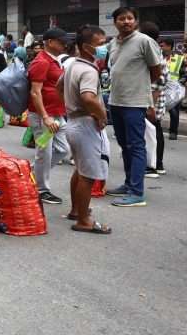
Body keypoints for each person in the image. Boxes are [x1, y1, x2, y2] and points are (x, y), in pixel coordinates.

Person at [106, 7, 162, 207]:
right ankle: (129, 183)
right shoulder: (113, 43)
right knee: (124, 145)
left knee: (136, 146)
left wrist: (145, 93)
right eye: (122, 18)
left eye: (130, 18)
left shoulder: (145, 41)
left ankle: (137, 192)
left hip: (135, 103)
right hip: (115, 101)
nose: (126, 22)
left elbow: (156, 70)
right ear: (115, 22)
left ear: (136, 21)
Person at [60, 25, 111, 234]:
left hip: (73, 122)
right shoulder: (89, 70)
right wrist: (102, 115)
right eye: (100, 44)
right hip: (85, 124)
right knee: (88, 175)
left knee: (80, 170)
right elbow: (88, 97)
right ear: (86, 47)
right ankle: (83, 220)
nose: (104, 48)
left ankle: (75, 210)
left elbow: (58, 86)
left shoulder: (72, 65)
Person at [27, 27, 70, 204]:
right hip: (44, 118)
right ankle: (41, 189)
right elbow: (35, 92)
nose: (65, 45)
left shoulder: (54, 61)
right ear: (50, 42)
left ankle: (31, 174)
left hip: (57, 115)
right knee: (44, 152)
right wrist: (45, 116)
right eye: (61, 41)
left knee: (63, 150)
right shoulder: (42, 62)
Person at [139, 22, 168, 179]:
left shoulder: (153, 52)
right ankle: (158, 164)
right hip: (153, 99)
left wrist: (151, 106)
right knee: (155, 130)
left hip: (152, 100)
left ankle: (153, 165)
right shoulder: (154, 50)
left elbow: (156, 84)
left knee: (152, 132)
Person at [160, 37, 186, 140]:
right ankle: (155, 129)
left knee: (174, 111)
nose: (161, 47)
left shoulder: (179, 58)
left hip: (174, 90)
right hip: (160, 87)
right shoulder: (157, 57)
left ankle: (173, 132)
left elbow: (184, 74)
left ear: (169, 46)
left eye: (162, 45)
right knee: (157, 110)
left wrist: (179, 84)